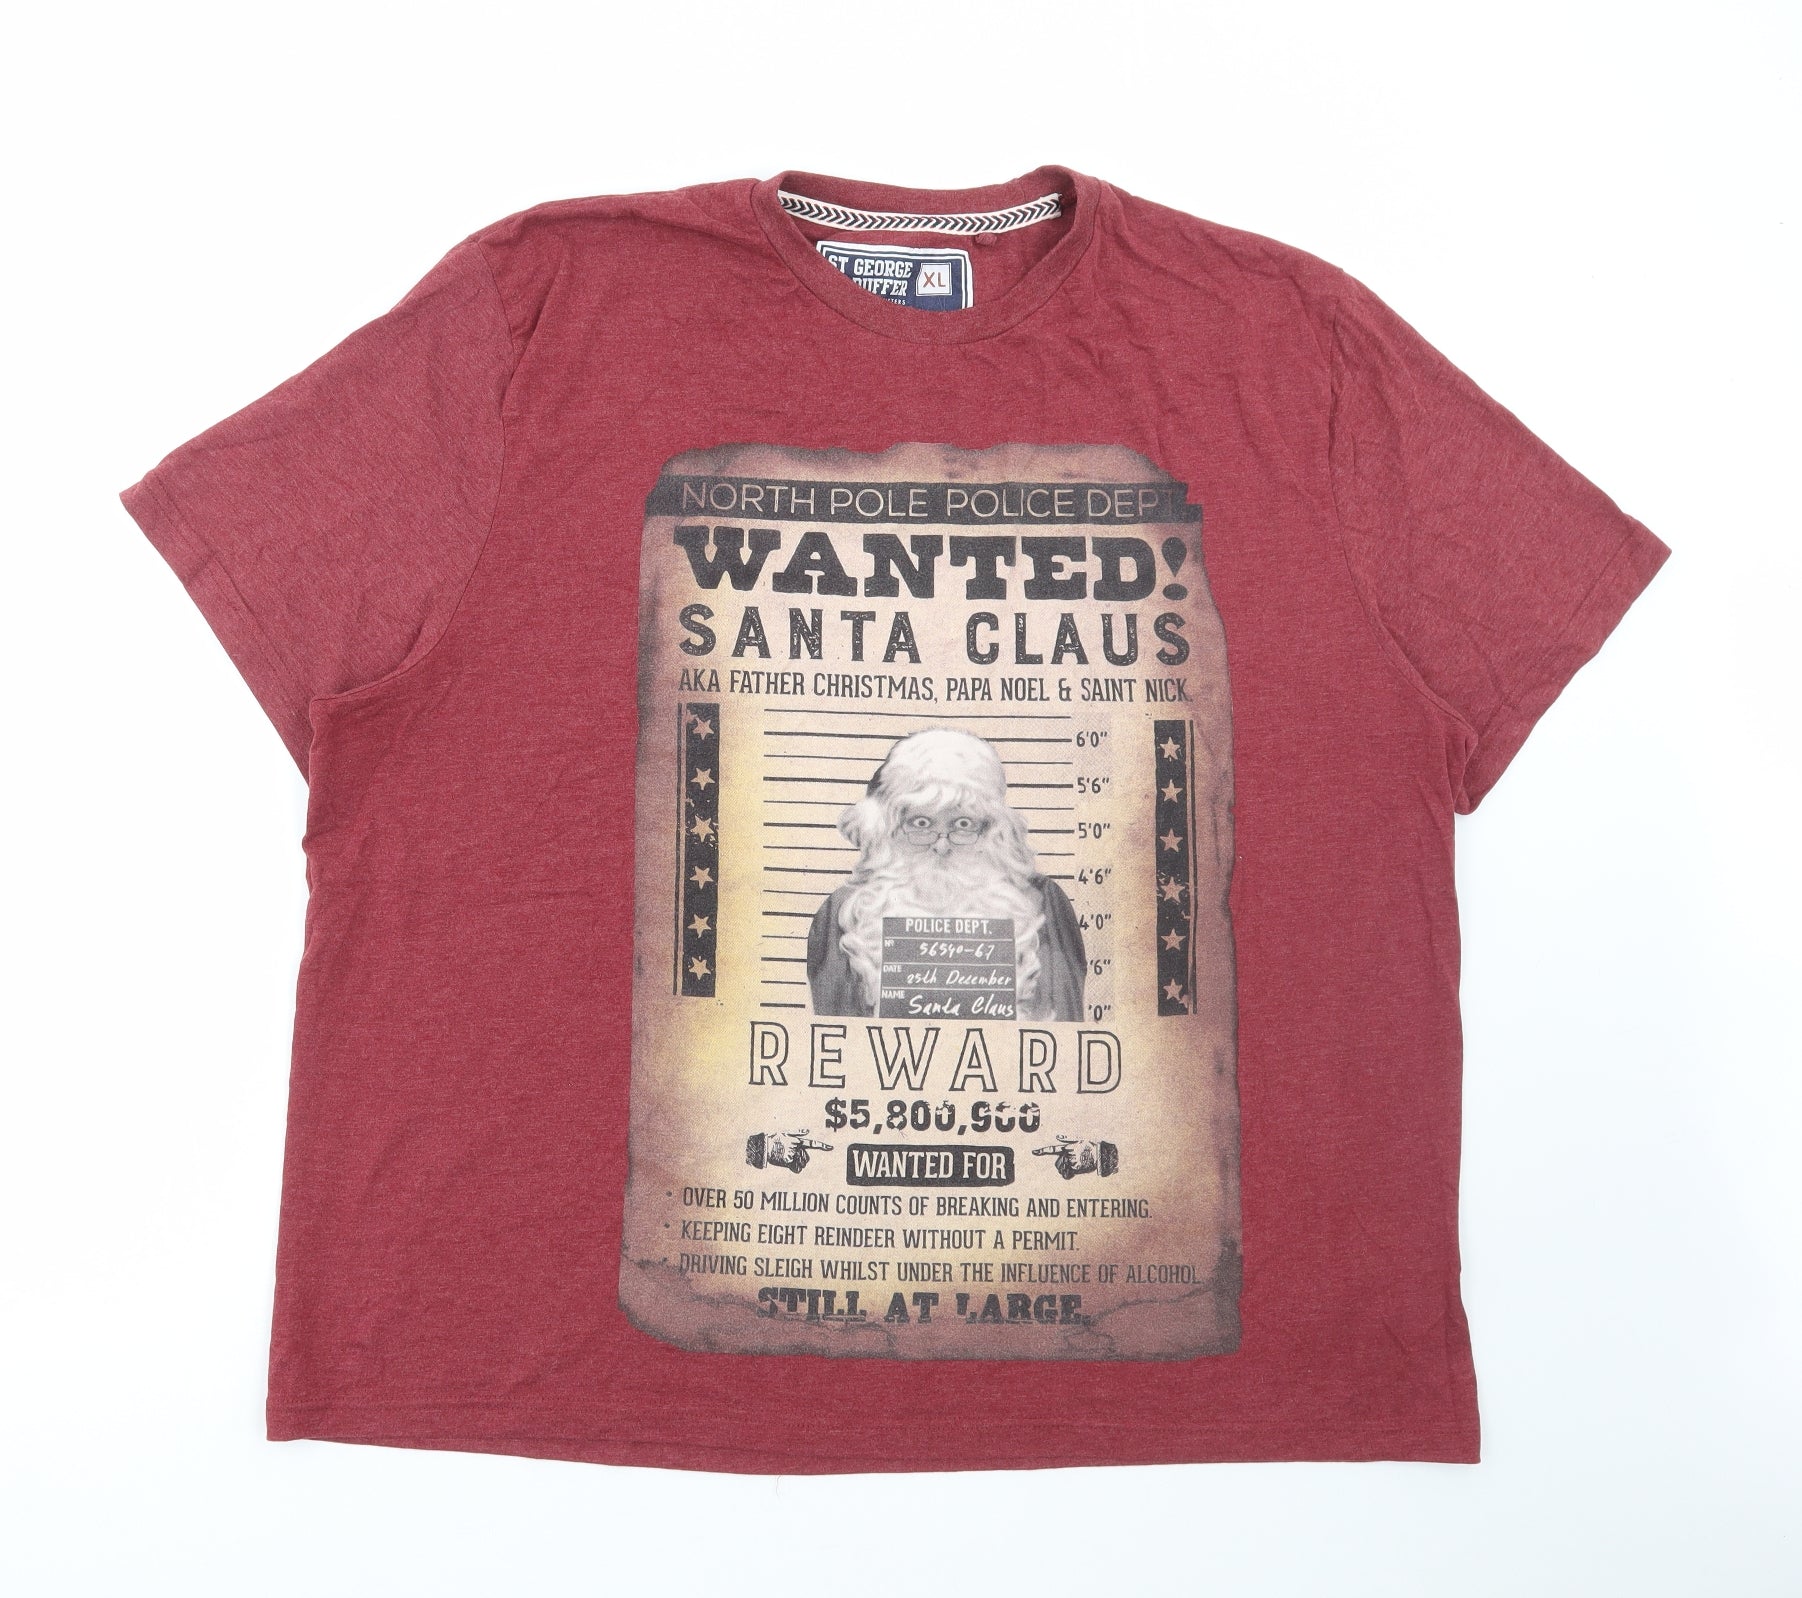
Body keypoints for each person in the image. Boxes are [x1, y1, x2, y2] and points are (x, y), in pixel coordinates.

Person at [806, 728, 1085, 1021]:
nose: (941, 846)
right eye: (921, 823)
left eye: (963, 824)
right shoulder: (842, 912)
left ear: (990, 829)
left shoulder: (1045, 903)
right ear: (892, 828)